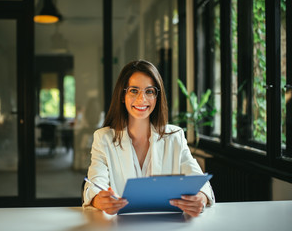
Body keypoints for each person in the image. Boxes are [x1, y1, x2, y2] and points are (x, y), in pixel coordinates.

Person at [83, 60, 215, 216]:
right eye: (134, 90)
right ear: (122, 95)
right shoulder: (103, 138)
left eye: (149, 91)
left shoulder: (175, 137)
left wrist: (201, 197)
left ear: (157, 97)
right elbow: (94, 185)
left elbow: (201, 182)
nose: (142, 99)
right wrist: (99, 200)